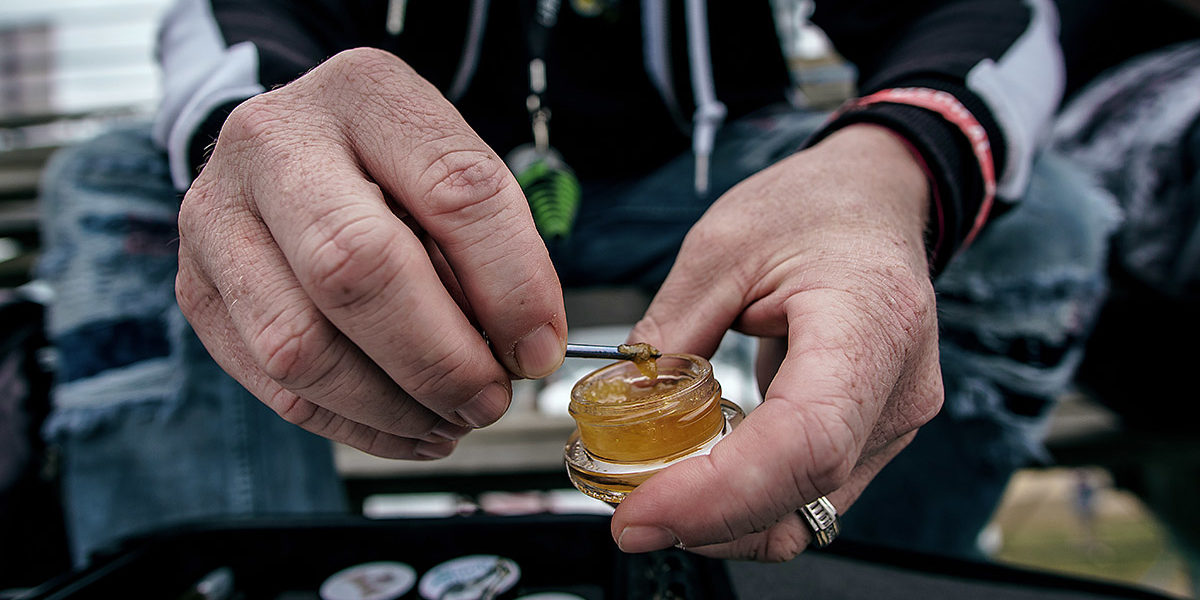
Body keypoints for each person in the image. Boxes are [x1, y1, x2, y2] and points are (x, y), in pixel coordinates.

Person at [39, 0, 1118, 566]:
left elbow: (992, 15)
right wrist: (267, 139)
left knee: (1045, 216)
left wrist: (884, 165)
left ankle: (852, 577)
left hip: (718, 176)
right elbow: (237, 13)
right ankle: (218, 576)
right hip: (404, 188)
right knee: (130, 188)